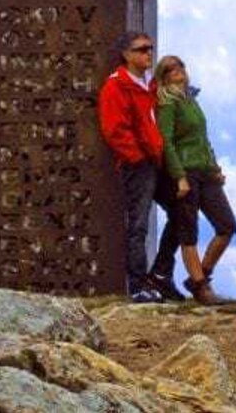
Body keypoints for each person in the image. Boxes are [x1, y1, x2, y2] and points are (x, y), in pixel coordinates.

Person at [97, 31, 185, 303]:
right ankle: (137, 286)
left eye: (150, 48)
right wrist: (137, 157)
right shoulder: (116, 86)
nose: (149, 53)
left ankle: (159, 274)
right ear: (126, 54)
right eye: (142, 49)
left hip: (156, 162)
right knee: (138, 225)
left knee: (183, 211)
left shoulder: (149, 84)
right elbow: (114, 130)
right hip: (138, 165)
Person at [154, 55, 236, 305]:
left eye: (181, 66)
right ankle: (201, 288)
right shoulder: (167, 103)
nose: (178, 71)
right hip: (186, 171)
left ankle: (200, 277)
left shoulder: (191, 99)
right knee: (188, 232)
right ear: (164, 76)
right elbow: (165, 141)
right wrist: (179, 177)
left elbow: (203, 138)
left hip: (205, 171)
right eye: (171, 68)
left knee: (227, 226)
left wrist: (214, 168)